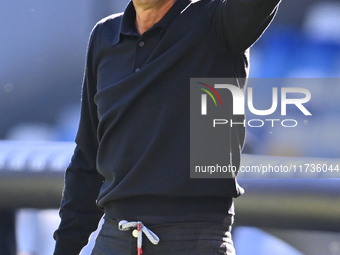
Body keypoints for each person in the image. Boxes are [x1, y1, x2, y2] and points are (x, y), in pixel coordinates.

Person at [53, 0, 281, 254]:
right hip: (114, 237)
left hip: (194, 239)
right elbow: (87, 156)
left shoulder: (217, 22)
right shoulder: (104, 36)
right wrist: (65, 247)